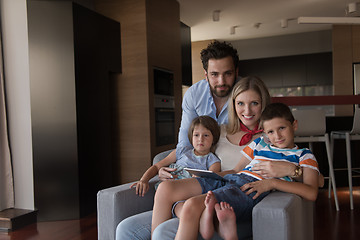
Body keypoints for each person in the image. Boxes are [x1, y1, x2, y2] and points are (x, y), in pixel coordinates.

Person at [152, 102, 319, 240]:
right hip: (232, 178)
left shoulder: (303, 155)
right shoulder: (260, 143)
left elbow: (312, 192)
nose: (277, 136)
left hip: (249, 187)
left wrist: (272, 183)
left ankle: (212, 221)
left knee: (190, 206)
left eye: (282, 128)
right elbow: (237, 170)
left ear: (294, 124)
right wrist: (211, 175)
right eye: (270, 132)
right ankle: (212, 221)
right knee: (165, 188)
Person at [130, 115, 221, 196]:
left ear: (214, 138)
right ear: (191, 137)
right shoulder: (181, 151)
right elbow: (157, 166)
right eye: (196, 135)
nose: (200, 139)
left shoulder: (213, 161)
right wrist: (144, 180)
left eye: (206, 135)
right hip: (166, 190)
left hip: (187, 193)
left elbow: (210, 183)